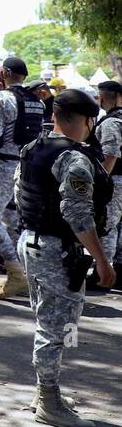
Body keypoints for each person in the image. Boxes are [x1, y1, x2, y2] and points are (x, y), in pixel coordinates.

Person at [15, 88, 115, 427]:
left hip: (31, 242)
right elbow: (77, 214)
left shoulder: (32, 147)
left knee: (47, 322)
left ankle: (44, 393)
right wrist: (102, 260)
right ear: (88, 121)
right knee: (55, 328)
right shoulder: (74, 159)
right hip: (55, 249)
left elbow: (20, 195)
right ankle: (48, 400)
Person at [0, 56, 42, 300]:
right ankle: (20, 275)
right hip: (24, 167)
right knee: (12, 219)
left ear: (3, 73)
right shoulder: (36, 101)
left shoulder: (2, 97)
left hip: (2, 164)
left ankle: (15, 273)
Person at [95, 80, 122, 282]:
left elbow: (111, 155)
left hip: (115, 180)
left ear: (102, 98)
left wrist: (99, 182)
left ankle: (103, 273)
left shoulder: (112, 122)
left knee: (108, 226)